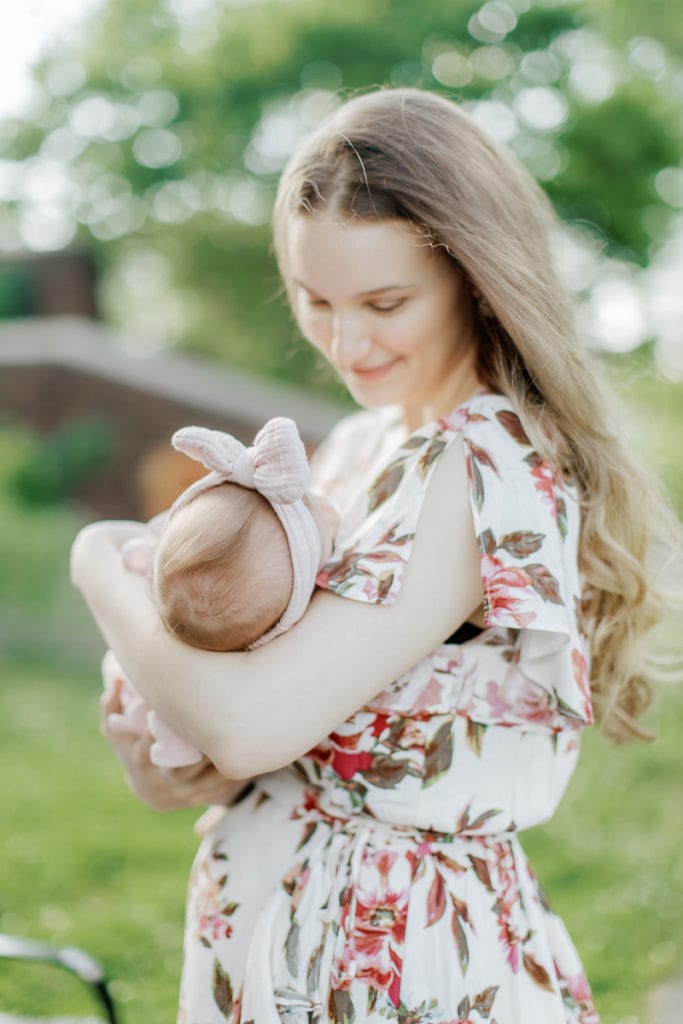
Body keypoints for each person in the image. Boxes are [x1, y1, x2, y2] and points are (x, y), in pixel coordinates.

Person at [70, 87, 673, 1023]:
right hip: (279, 925)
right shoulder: (359, 446)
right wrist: (171, 764)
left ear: (477, 277)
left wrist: (97, 565)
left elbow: (249, 724)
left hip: (398, 957)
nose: (345, 342)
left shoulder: (485, 467)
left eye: (384, 303)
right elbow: (264, 740)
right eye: (315, 300)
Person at [104, 416, 337, 768]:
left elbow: (154, 544)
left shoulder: (167, 571)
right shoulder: (274, 653)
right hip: (177, 702)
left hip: (139, 676)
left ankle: (151, 725)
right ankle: (165, 733)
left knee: (153, 703)